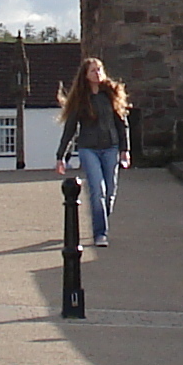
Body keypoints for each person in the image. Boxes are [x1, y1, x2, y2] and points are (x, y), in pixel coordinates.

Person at [56, 57, 132, 248]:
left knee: (110, 192)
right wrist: (61, 156)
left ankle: (101, 220)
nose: (97, 74)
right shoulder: (81, 99)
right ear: (85, 75)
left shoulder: (111, 94)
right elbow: (70, 128)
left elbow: (122, 124)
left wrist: (125, 150)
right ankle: (100, 233)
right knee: (97, 190)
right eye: (93, 71)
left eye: (99, 70)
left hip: (111, 147)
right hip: (88, 148)